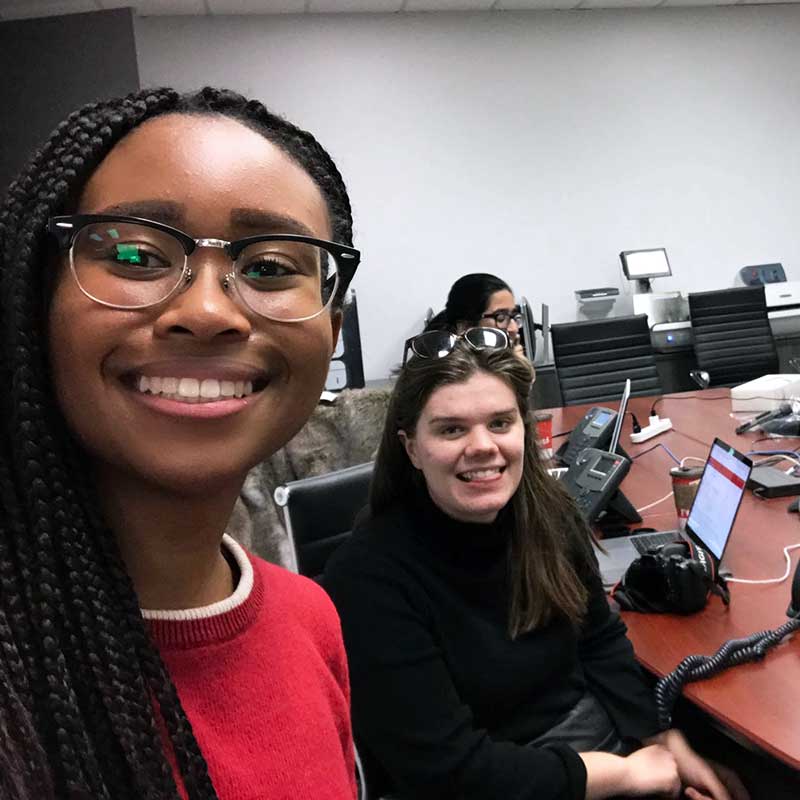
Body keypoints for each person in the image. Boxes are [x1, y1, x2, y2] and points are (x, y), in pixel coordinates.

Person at [0, 86, 359, 799]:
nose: (207, 312)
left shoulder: (310, 618)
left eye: (269, 268)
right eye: (135, 253)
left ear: (333, 330)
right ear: (33, 300)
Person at [323, 330, 748, 800]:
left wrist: (661, 740)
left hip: (598, 749)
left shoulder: (549, 514)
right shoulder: (366, 578)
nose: (483, 446)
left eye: (501, 423)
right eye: (451, 429)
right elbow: (448, 771)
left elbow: (598, 639)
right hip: (511, 781)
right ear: (411, 449)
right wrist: (625, 776)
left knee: (740, 781)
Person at [428, 273, 525, 355]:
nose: (514, 329)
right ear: (465, 326)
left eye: (513, 316)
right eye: (501, 318)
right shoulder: (450, 372)